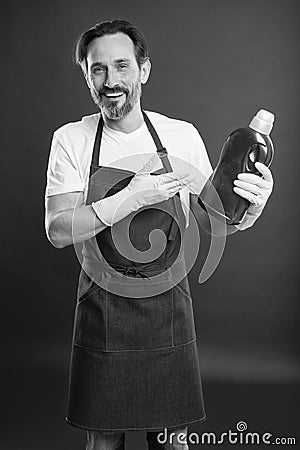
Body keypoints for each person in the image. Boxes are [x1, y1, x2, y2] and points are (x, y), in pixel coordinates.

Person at [44, 19, 273, 450]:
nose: (111, 81)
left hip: (168, 310)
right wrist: (128, 199)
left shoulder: (179, 136)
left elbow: (213, 219)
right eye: (98, 70)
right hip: (102, 308)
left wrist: (252, 207)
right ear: (86, 76)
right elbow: (58, 229)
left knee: (172, 443)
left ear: (143, 70)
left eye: (122, 66)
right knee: (104, 441)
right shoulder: (71, 139)